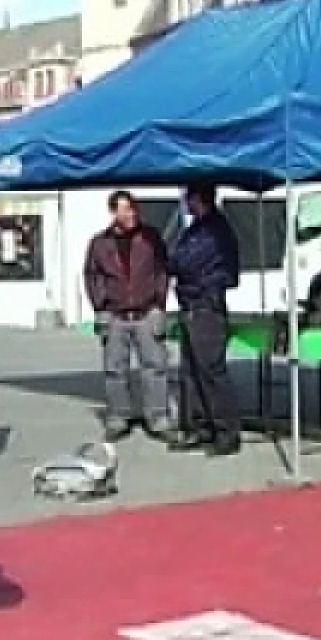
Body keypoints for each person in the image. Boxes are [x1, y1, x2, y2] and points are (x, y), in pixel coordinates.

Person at [83, 190, 171, 441]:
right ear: (113, 212)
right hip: (115, 315)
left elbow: (163, 270)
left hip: (146, 313)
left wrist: (159, 304)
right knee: (115, 370)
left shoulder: (150, 237)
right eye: (125, 209)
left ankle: (158, 419)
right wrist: (100, 306)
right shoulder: (100, 243)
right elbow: (92, 275)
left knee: (154, 368)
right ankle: (118, 419)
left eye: (133, 209)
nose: (131, 214)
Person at [168, 183, 242, 456]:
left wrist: (175, 261)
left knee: (211, 371)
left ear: (199, 198)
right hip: (191, 306)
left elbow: (182, 262)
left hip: (206, 306)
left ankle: (227, 432)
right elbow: (176, 257)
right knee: (190, 371)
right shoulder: (195, 229)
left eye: (189, 198)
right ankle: (200, 428)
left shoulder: (214, 230)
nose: (185, 202)